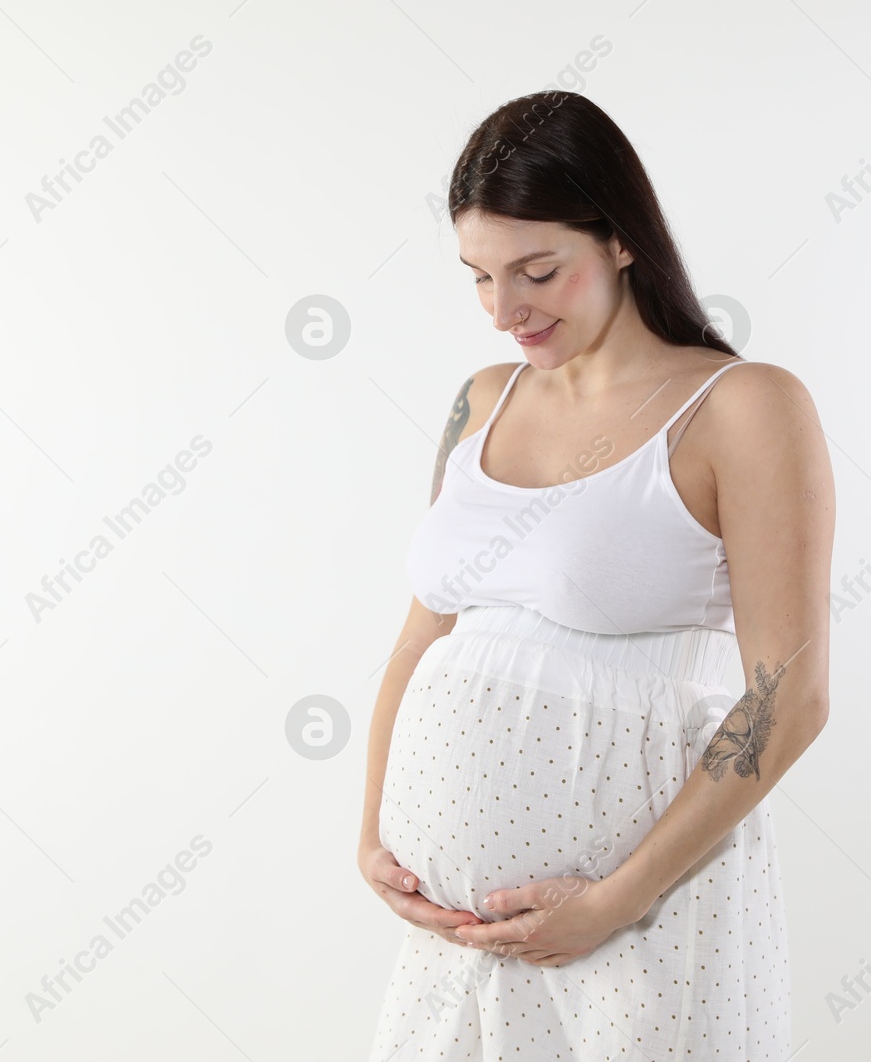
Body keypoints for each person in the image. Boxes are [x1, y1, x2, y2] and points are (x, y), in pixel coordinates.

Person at [357, 89, 834, 1060]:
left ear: (620, 240)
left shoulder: (741, 408)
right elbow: (424, 632)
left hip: (641, 926)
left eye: (537, 271)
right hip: (457, 945)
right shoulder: (481, 402)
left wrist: (617, 900)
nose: (504, 311)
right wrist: (374, 834)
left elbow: (790, 697)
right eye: (479, 277)